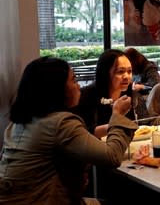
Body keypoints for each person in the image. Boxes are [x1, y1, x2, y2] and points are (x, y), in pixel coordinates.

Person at [0, 57, 137, 204]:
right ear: (56, 88)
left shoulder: (18, 123)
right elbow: (112, 157)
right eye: (73, 80)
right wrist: (117, 116)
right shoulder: (61, 123)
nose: (78, 86)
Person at [74, 49, 137, 138]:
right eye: (120, 71)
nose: (126, 76)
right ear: (105, 73)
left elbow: (141, 123)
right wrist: (118, 123)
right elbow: (84, 133)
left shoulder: (130, 94)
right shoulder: (87, 96)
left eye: (129, 71)